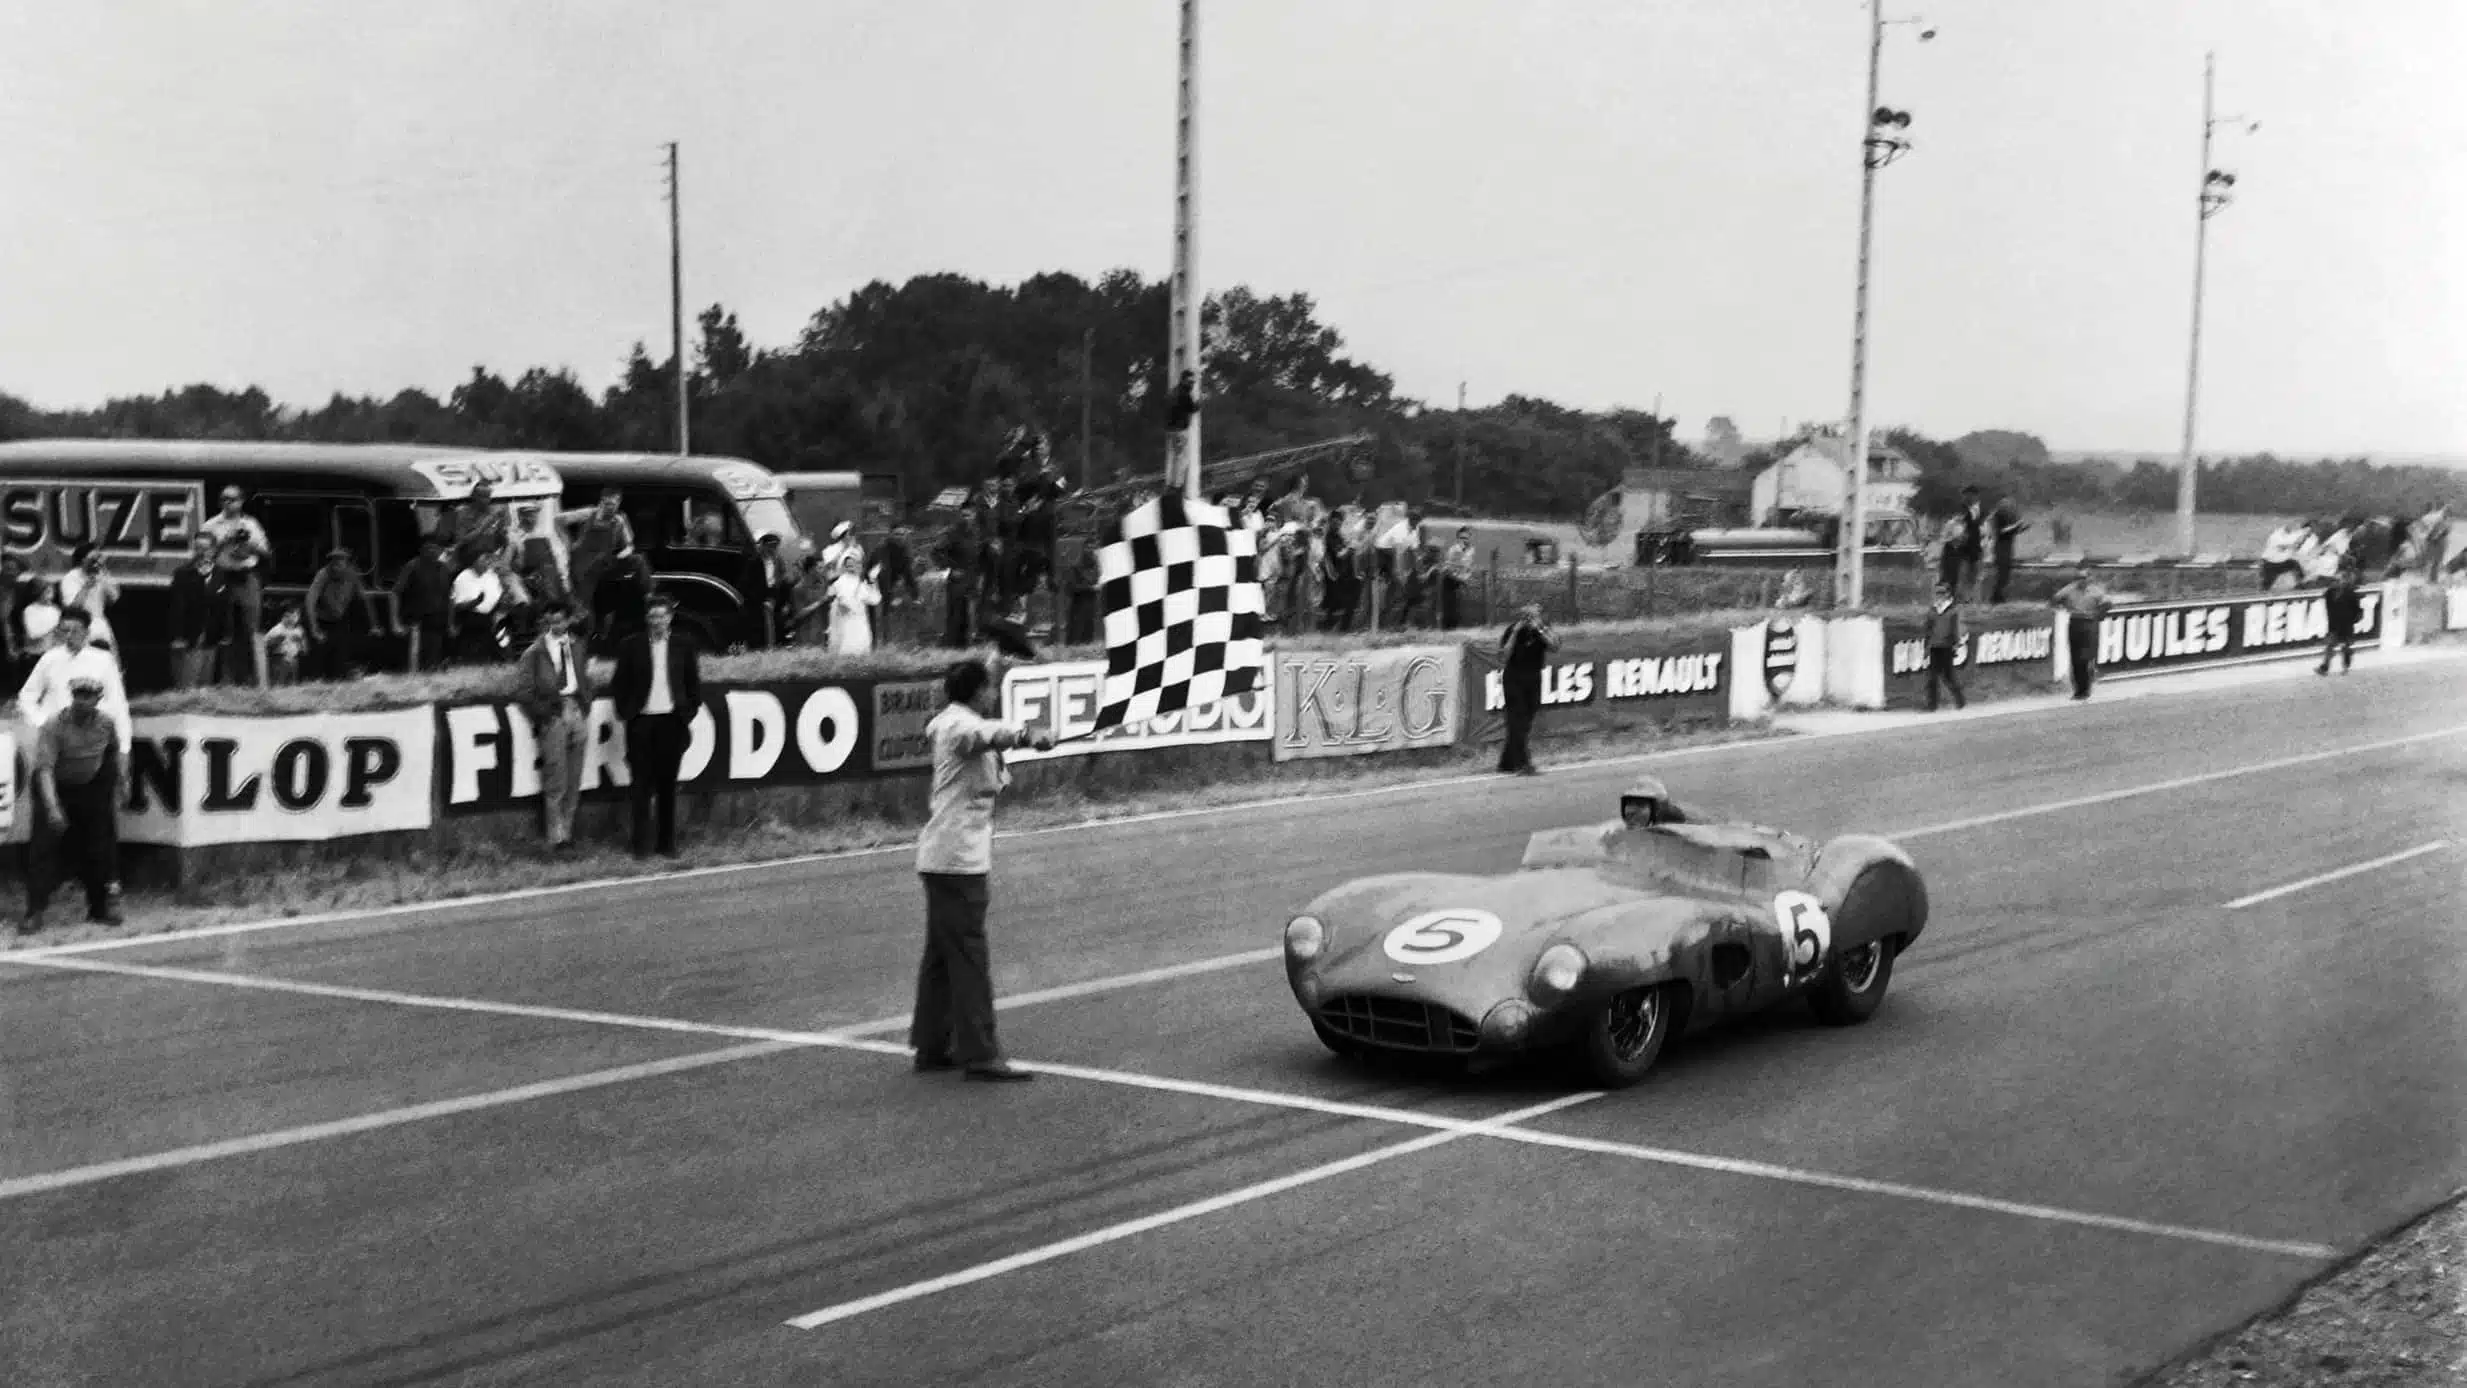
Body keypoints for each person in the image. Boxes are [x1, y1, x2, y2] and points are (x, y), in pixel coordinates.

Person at [909, 657, 1057, 1082]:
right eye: (988, 688)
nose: (993, 695)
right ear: (976, 692)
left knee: (941, 955)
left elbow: (988, 762)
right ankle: (978, 1051)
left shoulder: (954, 725)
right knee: (969, 956)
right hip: (958, 861)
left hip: (947, 856)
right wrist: (1027, 734)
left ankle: (933, 1043)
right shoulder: (958, 725)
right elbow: (984, 733)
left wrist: (1025, 747)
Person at [23, 676, 125, 933]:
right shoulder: (55, 725)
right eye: (78, 695)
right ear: (72, 696)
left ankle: (99, 907)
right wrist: (53, 807)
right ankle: (35, 911)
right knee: (43, 848)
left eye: (88, 696)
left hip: (90, 785)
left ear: (98, 699)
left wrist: (117, 786)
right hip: (55, 785)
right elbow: (45, 769)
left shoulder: (106, 724)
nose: (82, 700)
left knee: (99, 844)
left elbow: (112, 754)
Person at [612, 594, 701, 858]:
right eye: (652, 616)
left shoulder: (684, 645)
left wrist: (687, 713)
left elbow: (693, 684)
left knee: (667, 786)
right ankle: (641, 845)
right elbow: (619, 683)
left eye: (662, 616)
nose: (657, 621)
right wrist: (627, 712)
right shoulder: (632, 645)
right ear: (646, 618)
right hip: (642, 722)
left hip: (671, 722)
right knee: (640, 786)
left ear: (670, 618)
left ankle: (667, 843)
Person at [515, 601, 596, 849]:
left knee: (574, 776)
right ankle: (555, 837)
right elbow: (524, 692)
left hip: (576, 709)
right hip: (554, 712)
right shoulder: (534, 652)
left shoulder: (578, 646)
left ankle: (567, 833)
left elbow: (586, 679)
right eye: (551, 622)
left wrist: (584, 705)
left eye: (560, 620)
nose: (556, 625)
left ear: (568, 620)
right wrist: (545, 715)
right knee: (555, 777)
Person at [18, 608, 132, 761]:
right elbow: (26, 697)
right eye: (65, 630)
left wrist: (124, 746)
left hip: (92, 740)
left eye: (75, 631)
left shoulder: (103, 660)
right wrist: (41, 721)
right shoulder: (49, 659)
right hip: (55, 740)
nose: (69, 636)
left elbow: (118, 704)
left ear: (86, 632)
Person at [201, 485, 272, 686]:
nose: (228, 503)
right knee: (225, 630)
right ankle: (226, 682)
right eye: (224, 499)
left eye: (232, 499)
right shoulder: (211, 525)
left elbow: (266, 552)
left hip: (247, 576)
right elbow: (203, 555)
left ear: (241, 501)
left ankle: (260, 683)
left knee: (253, 629)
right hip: (222, 576)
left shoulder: (251, 524)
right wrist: (225, 540)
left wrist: (250, 544)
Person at [1497, 603, 1558, 775]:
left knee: (1526, 721)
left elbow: (1555, 645)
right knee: (1517, 721)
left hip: (1534, 677)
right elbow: (1503, 655)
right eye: (1528, 616)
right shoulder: (1513, 630)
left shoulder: (1543, 631)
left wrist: (1539, 629)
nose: (1531, 619)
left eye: (1535, 615)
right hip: (1514, 677)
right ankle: (1522, 763)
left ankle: (1506, 762)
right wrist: (1516, 633)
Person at [305, 547, 375, 681]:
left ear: (347, 563)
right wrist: (314, 627)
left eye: (341, 561)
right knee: (318, 656)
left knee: (340, 655)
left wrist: (373, 624)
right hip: (321, 619)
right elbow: (310, 599)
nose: (337, 565)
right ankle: (316, 680)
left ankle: (338, 677)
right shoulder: (323, 574)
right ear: (330, 563)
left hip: (339, 619)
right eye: (334, 562)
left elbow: (364, 598)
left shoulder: (352, 574)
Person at [2050, 564, 2114, 701]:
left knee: (2086, 658)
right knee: (2075, 658)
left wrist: (2098, 614)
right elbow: (2055, 599)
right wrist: (2064, 607)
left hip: (2089, 623)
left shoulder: (2095, 591)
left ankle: (2086, 688)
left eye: (2084, 577)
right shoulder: (2069, 589)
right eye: (2079, 578)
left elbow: (2108, 603)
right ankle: (2078, 691)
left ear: (2089, 578)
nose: (2081, 580)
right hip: (2075, 622)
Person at [391, 536, 455, 671]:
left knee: (433, 662)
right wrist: (395, 622)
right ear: (422, 549)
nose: (433, 551)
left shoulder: (444, 568)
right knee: (415, 664)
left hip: (437, 622)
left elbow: (449, 597)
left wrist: (450, 623)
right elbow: (395, 593)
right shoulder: (412, 566)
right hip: (416, 623)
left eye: (436, 548)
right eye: (429, 547)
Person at [57, 543, 122, 651]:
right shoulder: (70, 578)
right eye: (93, 559)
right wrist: (86, 587)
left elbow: (115, 597)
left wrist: (104, 576)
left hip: (100, 623)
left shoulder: (101, 573)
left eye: (98, 558)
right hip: (80, 626)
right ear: (83, 560)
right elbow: (72, 608)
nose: (97, 562)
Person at [1922, 583, 1967, 712]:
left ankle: (1960, 701)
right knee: (1932, 677)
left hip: (1946, 647)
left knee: (1949, 676)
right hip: (1934, 647)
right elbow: (1928, 629)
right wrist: (1926, 647)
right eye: (1937, 593)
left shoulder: (1952, 611)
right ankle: (1932, 705)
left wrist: (1956, 644)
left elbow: (1955, 629)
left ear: (1947, 594)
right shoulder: (1933, 610)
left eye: (1942, 593)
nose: (1939, 596)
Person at [828, 555, 881, 657]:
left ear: (858, 566)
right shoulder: (839, 583)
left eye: (853, 565)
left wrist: (873, 582)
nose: (851, 568)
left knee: (861, 653)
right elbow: (832, 598)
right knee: (847, 652)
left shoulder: (862, 583)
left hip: (861, 623)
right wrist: (839, 605)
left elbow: (875, 600)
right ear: (844, 567)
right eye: (848, 566)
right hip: (845, 623)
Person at [2317, 563, 2364, 676]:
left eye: (2338, 580)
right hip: (2334, 624)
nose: (2336, 583)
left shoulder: (2351, 594)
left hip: (2346, 624)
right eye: (2335, 580)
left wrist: (2353, 620)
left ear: (2344, 581)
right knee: (2330, 646)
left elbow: (2357, 610)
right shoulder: (2330, 593)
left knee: (2345, 647)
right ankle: (2324, 667)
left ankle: (2346, 666)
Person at [1986, 497, 2028, 604]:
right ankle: (1995, 597)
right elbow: (2001, 532)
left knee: (2006, 574)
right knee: (2002, 574)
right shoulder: (1996, 516)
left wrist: (2022, 528)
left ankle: (1999, 596)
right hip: (2000, 548)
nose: (2008, 507)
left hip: (2007, 547)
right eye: (2006, 505)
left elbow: (2011, 531)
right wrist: (2016, 525)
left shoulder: (2005, 516)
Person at [2258, 519, 2309, 591]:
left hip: (2281, 562)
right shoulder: (2275, 536)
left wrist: (2305, 533)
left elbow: (2297, 536)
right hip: (2269, 564)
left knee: (2294, 564)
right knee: (2266, 584)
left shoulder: (2290, 534)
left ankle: (2302, 584)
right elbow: (2287, 544)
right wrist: (2302, 536)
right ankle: (2262, 594)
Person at [265, 605, 308, 685]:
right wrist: (276, 640)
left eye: (297, 616)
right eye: (292, 616)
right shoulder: (277, 629)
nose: (294, 618)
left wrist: (301, 643)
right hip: (280, 660)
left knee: (292, 684)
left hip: (294, 660)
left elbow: (305, 648)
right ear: (285, 616)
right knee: (279, 684)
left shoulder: (299, 630)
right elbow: (266, 644)